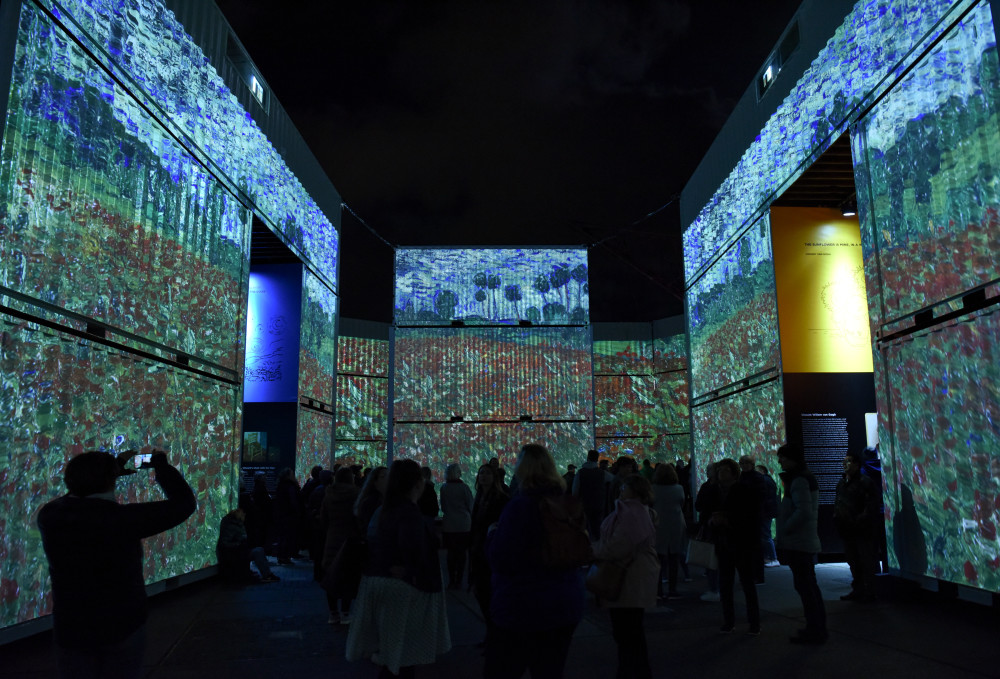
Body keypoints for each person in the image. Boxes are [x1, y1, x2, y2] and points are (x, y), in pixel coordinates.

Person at [38, 450, 196, 679]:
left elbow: (77, 496)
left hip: (71, 626)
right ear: (110, 479)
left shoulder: (50, 515)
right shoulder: (121, 519)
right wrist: (161, 466)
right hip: (121, 625)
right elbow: (184, 503)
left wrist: (109, 473)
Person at [486, 444, 585, 679]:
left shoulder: (520, 507)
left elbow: (501, 559)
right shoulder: (566, 504)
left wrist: (491, 536)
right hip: (566, 602)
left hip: (523, 607)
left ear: (523, 469)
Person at [346, 459, 451, 678]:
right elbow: (412, 549)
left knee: (392, 657)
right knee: (401, 659)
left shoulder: (383, 509)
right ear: (417, 484)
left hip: (380, 583)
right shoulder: (408, 512)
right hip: (403, 591)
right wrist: (413, 572)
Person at [593, 474, 659, 679]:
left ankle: (631, 672)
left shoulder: (630, 513)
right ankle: (636, 671)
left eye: (624, 488)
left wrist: (594, 553)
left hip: (628, 575)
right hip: (635, 575)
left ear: (635, 491)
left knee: (626, 631)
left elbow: (620, 544)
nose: (621, 491)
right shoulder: (639, 512)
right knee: (631, 630)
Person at [776, 443, 827, 644]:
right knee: (808, 585)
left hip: (798, 541)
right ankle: (817, 627)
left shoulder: (798, 480)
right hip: (802, 541)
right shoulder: (802, 478)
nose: (780, 461)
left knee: (806, 587)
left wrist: (786, 527)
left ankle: (815, 629)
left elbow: (803, 511)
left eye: (782, 457)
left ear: (792, 458)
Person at [711, 458, 762, 635]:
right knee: (726, 584)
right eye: (720, 471)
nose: (721, 474)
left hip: (740, 543)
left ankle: (753, 623)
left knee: (746, 583)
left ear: (733, 473)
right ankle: (729, 621)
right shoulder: (715, 491)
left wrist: (727, 520)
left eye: (725, 470)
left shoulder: (742, 490)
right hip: (724, 543)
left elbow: (749, 517)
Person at [468, 464, 510, 646]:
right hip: (478, 550)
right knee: (482, 592)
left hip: (490, 552)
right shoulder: (479, 497)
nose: (483, 476)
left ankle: (496, 635)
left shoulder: (501, 498)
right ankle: (492, 634)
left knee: (489, 593)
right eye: (481, 473)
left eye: (487, 473)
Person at [834, 449, 880, 602]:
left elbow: (871, 505)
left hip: (862, 529)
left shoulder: (865, 482)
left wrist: (860, 520)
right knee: (853, 561)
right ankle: (858, 589)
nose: (845, 464)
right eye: (844, 461)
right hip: (847, 529)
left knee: (866, 561)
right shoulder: (842, 483)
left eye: (849, 461)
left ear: (857, 464)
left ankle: (870, 592)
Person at [321, 467, 361, 624]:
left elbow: (324, 519)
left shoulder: (328, 494)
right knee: (348, 574)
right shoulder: (355, 494)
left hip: (333, 537)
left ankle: (333, 613)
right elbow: (359, 517)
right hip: (350, 538)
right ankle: (345, 612)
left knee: (331, 574)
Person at [217, 507, 280, 584]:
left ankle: (267, 574)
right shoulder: (233, 525)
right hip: (235, 553)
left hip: (237, 551)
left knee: (258, 550)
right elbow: (225, 543)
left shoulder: (234, 523)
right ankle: (267, 575)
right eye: (243, 513)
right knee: (258, 551)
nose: (244, 515)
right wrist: (239, 544)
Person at [651, 463, 686, 599]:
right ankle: (673, 589)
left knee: (658, 559)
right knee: (674, 558)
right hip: (675, 523)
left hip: (658, 524)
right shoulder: (679, 488)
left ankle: (658, 590)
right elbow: (681, 503)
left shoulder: (653, 489)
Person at [439, 463, 474, 588]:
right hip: (464, 524)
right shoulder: (464, 488)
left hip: (449, 524)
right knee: (461, 553)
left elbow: (443, 506)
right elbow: (471, 505)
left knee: (451, 553)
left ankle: (451, 580)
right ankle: (459, 580)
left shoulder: (444, 488)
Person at [694, 462, 722, 601]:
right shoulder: (717, 487)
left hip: (711, 525)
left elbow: (699, 504)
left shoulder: (709, 487)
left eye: (709, 470)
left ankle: (714, 589)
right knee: (714, 557)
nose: (707, 472)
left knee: (712, 557)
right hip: (710, 524)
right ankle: (716, 588)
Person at [573, 449, 614, 539]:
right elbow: (613, 479)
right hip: (599, 504)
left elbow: (575, 492)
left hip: (585, 504)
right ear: (597, 459)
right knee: (598, 527)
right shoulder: (603, 473)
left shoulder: (580, 473)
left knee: (586, 526)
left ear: (587, 458)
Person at [273, 467, 302, 564]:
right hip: (289, 515)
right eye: (292, 474)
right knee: (287, 536)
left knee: (282, 536)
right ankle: (284, 556)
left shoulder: (280, 486)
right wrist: (297, 511)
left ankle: (281, 556)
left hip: (282, 514)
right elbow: (293, 501)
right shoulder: (290, 486)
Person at [756, 464, 781, 567]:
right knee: (765, 534)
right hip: (767, 512)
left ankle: (773, 558)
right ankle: (769, 557)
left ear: (762, 470)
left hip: (765, 512)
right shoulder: (769, 480)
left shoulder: (764, 481)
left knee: (766, 535)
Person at [356, 466, 388, 536]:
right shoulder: (370, 502)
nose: (387, 479)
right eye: (383, 476)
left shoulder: (391, 501)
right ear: (374, 482)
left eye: (389, 476)